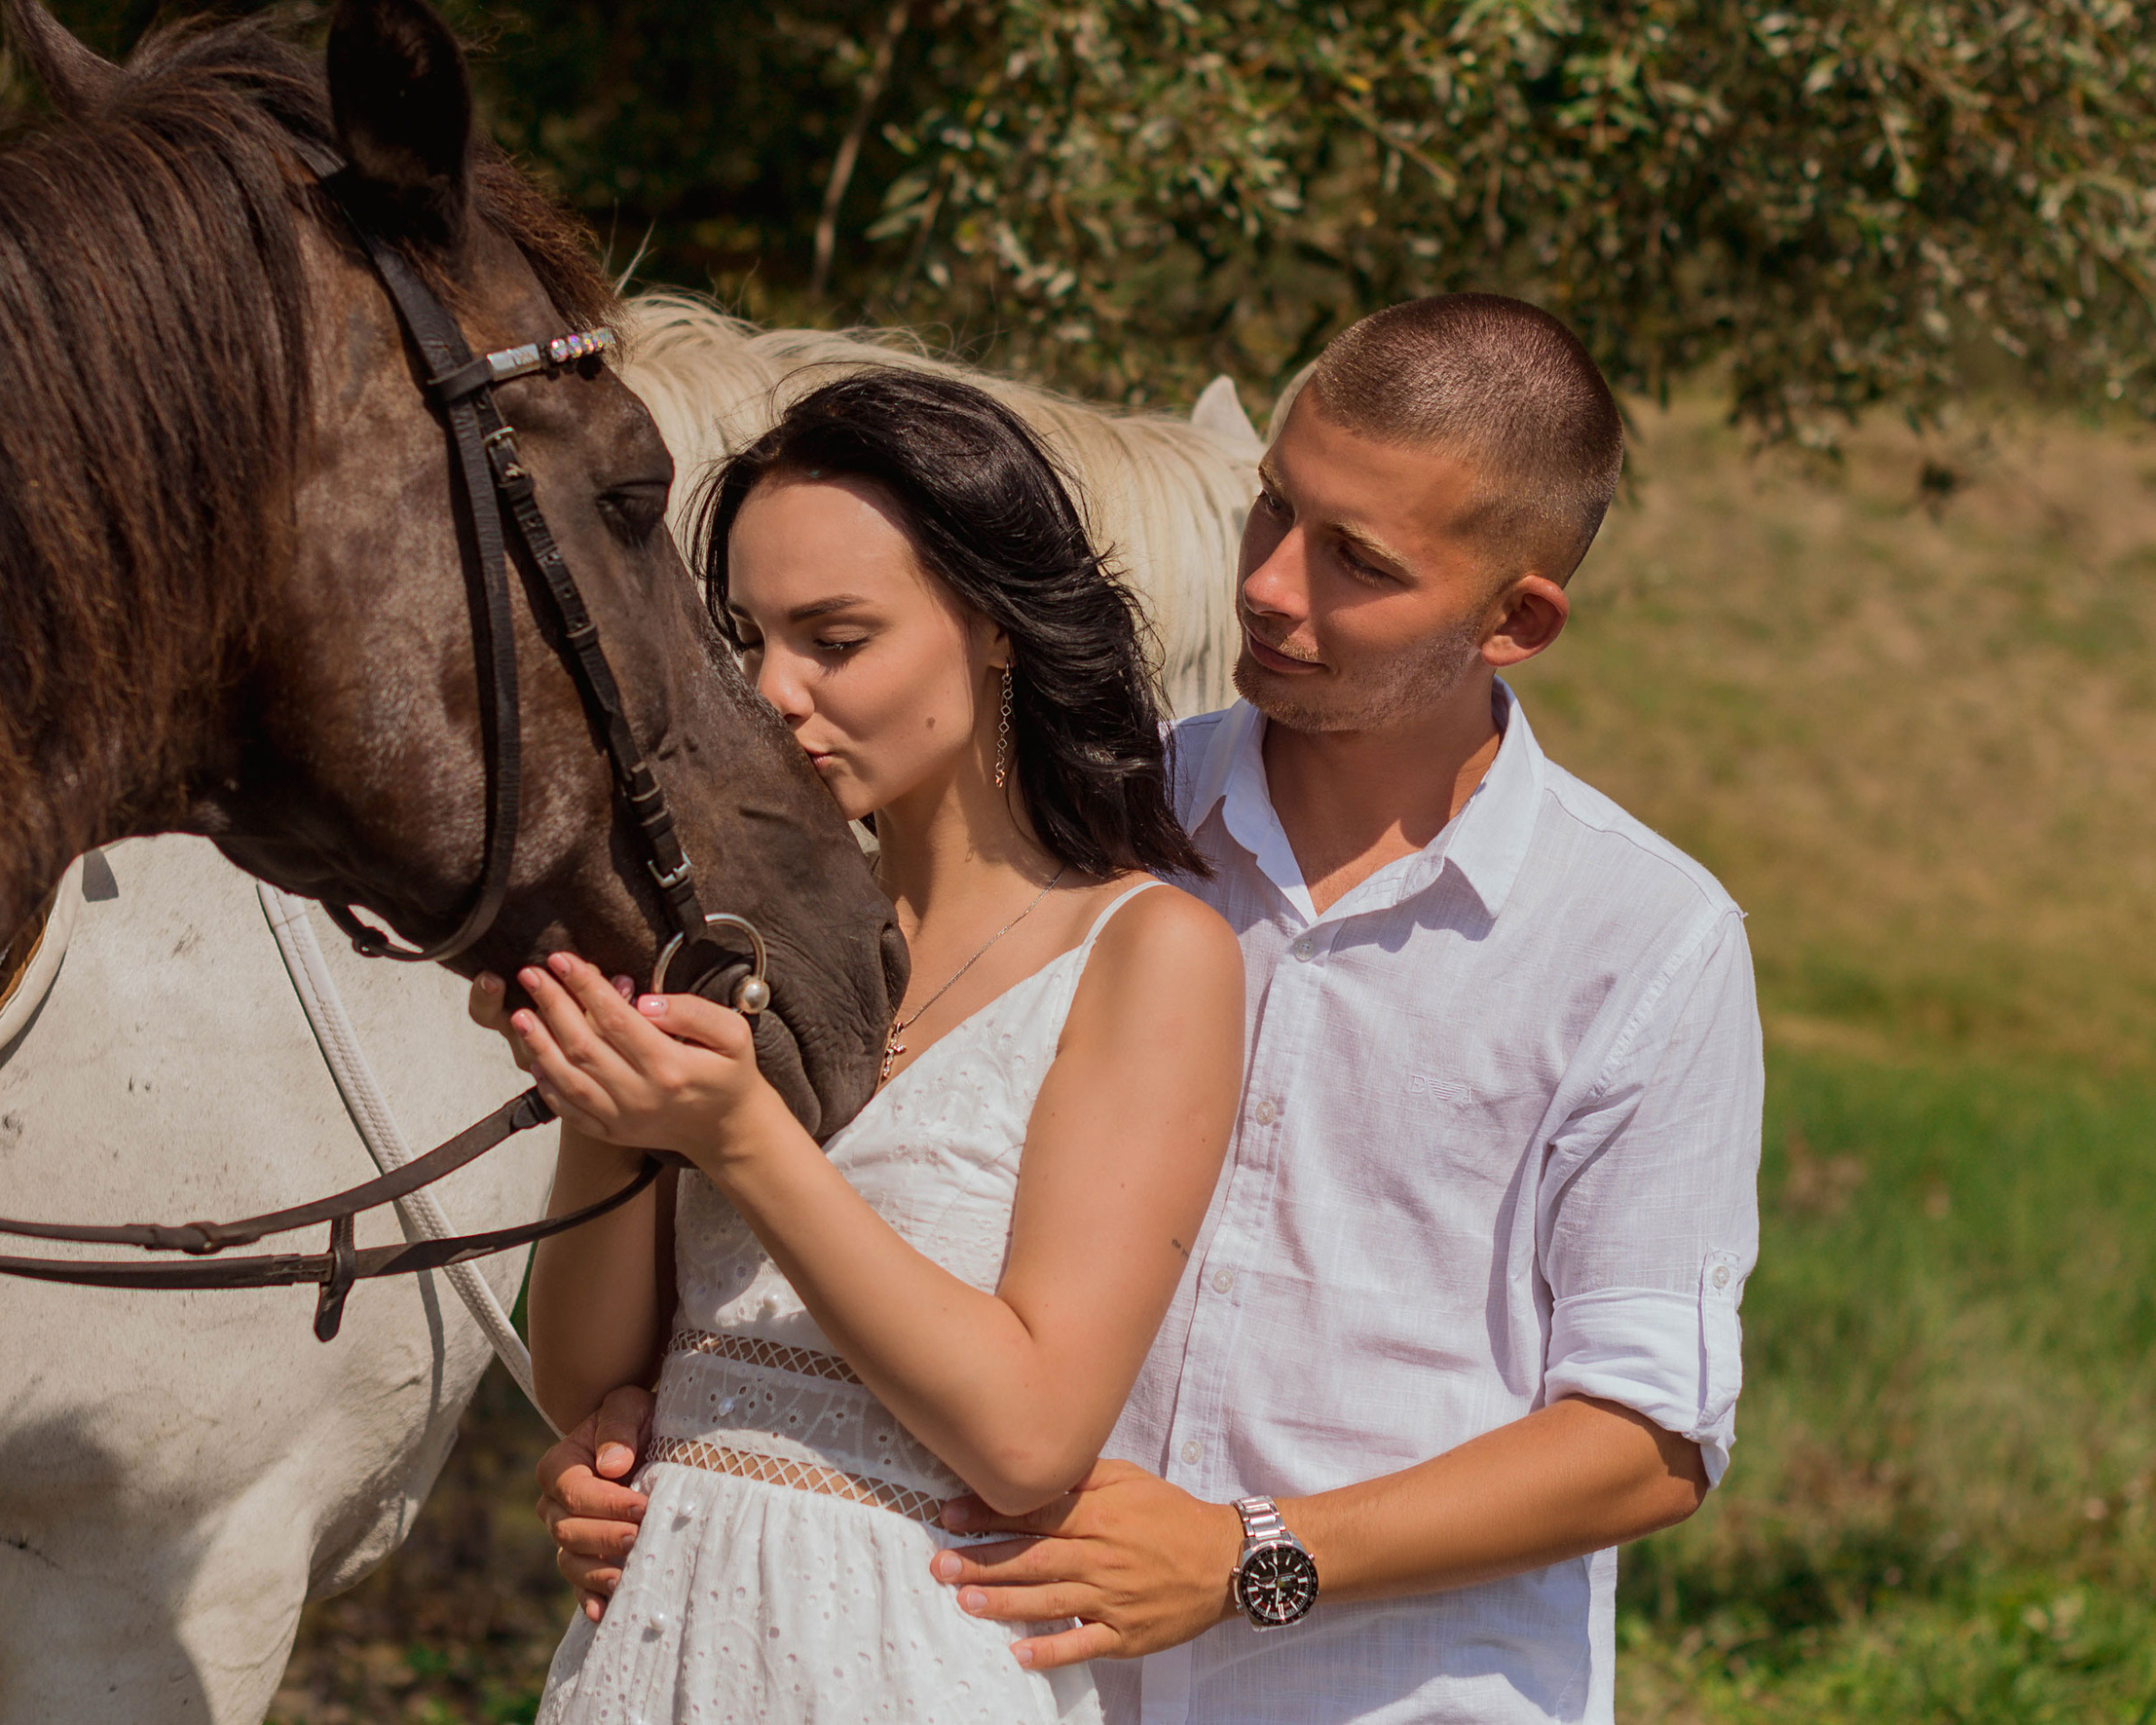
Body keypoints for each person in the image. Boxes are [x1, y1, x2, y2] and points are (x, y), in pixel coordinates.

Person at [539, 294, 1764, 1724]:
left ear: (1517, 619)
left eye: (1357, 561)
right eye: (1270, 513)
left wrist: (1253, 1559)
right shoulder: (1103, 820)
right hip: (994, 1663)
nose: (1270, 587)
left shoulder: (1639, 941)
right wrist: (661, 1447)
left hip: (1377, 1695)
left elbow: (1646, 1440)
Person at [482, 367, 1245, 1723]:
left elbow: (1027, 1434)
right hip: (656, 1639)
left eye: (836, 639)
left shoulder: (1146, 956)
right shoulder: (731, 932)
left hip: (907, 1654)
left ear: (996, 628)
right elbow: (586, 1386)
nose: (772, 691)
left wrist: (740, 1136)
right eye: (743, 640)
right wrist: (613, 1090)